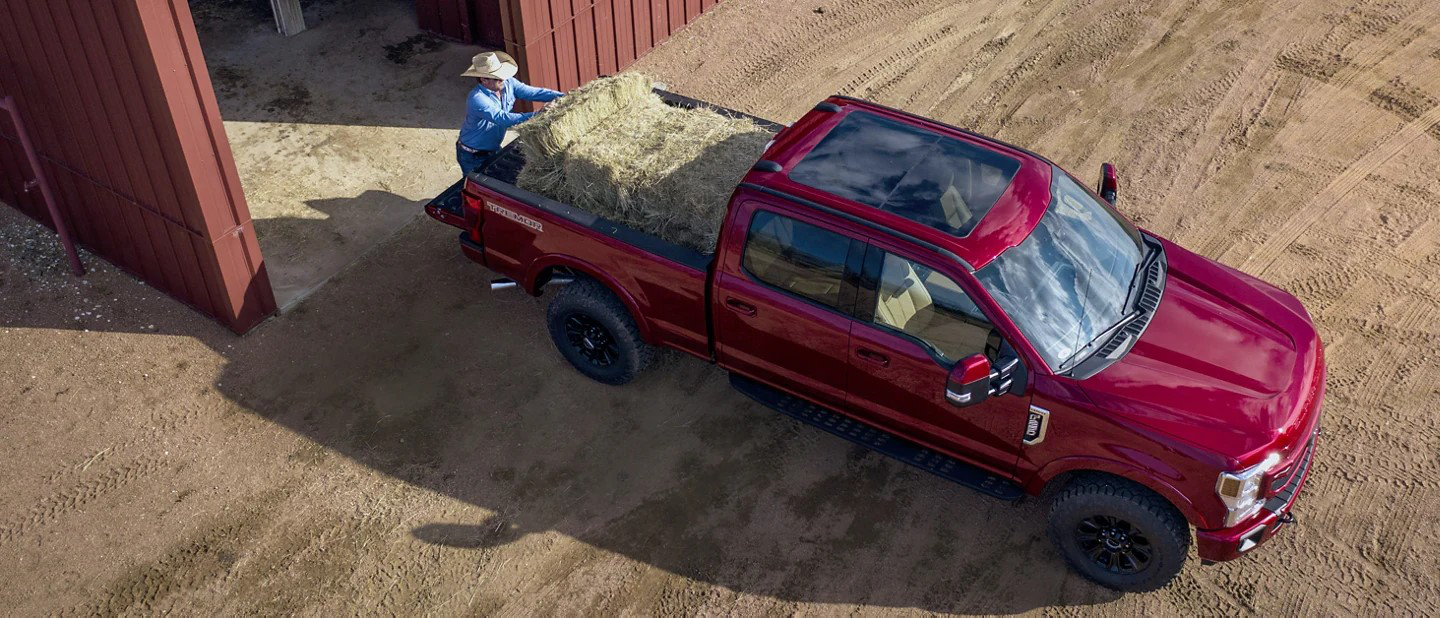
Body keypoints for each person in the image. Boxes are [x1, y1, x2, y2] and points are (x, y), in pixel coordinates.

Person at [457, 51, 563, 175]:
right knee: (480, 187)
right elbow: (504, 118)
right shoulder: (477, 99)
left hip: (493, 149)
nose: (503, 78)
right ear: (484, 80)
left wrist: (563, 97)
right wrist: (540, 114)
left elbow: (533, 93)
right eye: (497, 77)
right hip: (472, 156)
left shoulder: (508, 83)